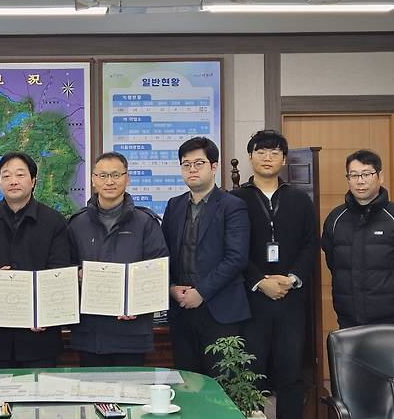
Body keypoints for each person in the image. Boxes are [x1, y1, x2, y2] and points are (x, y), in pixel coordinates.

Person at [231, 130, 318, 419]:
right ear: (250, 157)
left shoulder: (300, 199)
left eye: (274, 152)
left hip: (291, 297)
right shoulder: (235, 199)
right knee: (250, 371)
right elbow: (233, 248)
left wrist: (291, 279)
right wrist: (259, 281)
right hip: (250, 298)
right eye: (260, 151)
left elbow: (310, 244)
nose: (267, 157)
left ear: (284, 159)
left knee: (291, 371)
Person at [0, 152, 71, 369]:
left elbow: (60, 270)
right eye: (6, 176)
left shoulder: (53, 221)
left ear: (33, 181)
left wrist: (45, 314)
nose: (13, 181)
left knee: (38, 391)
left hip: (39, 335)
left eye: (20, 174)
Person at [68, 152, 169, 366]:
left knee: (131, 387)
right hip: (90, 333)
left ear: (127, 178)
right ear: (93, 180)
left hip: (132, 332)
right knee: (91, 387)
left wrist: (137, 304)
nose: (110, 181)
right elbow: (63, 268)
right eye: (103, 175)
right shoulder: (76, 224)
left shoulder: (145, 222)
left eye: (116, 175)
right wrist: (76, 274)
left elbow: (159, 270)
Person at [161, 136, 250, 375]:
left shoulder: (233, 205)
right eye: (186, 164)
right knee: (187, 381)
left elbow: (236, 258)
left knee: (220, 385)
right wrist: (170, 288)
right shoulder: (174, 205)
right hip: (181, 309)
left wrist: (201, 292)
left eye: (198, 163)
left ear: (213, 166)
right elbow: (163, 254)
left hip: (220, 311)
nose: (192, 169)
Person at [322, 149, 394, 328]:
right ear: (348, 179)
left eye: (366, 174)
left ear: (380, 177)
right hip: (348, 316)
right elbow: (333, 263)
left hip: (389, 318)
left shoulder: (392, 216)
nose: (360, 181)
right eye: (354, 175)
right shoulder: (335, 218)